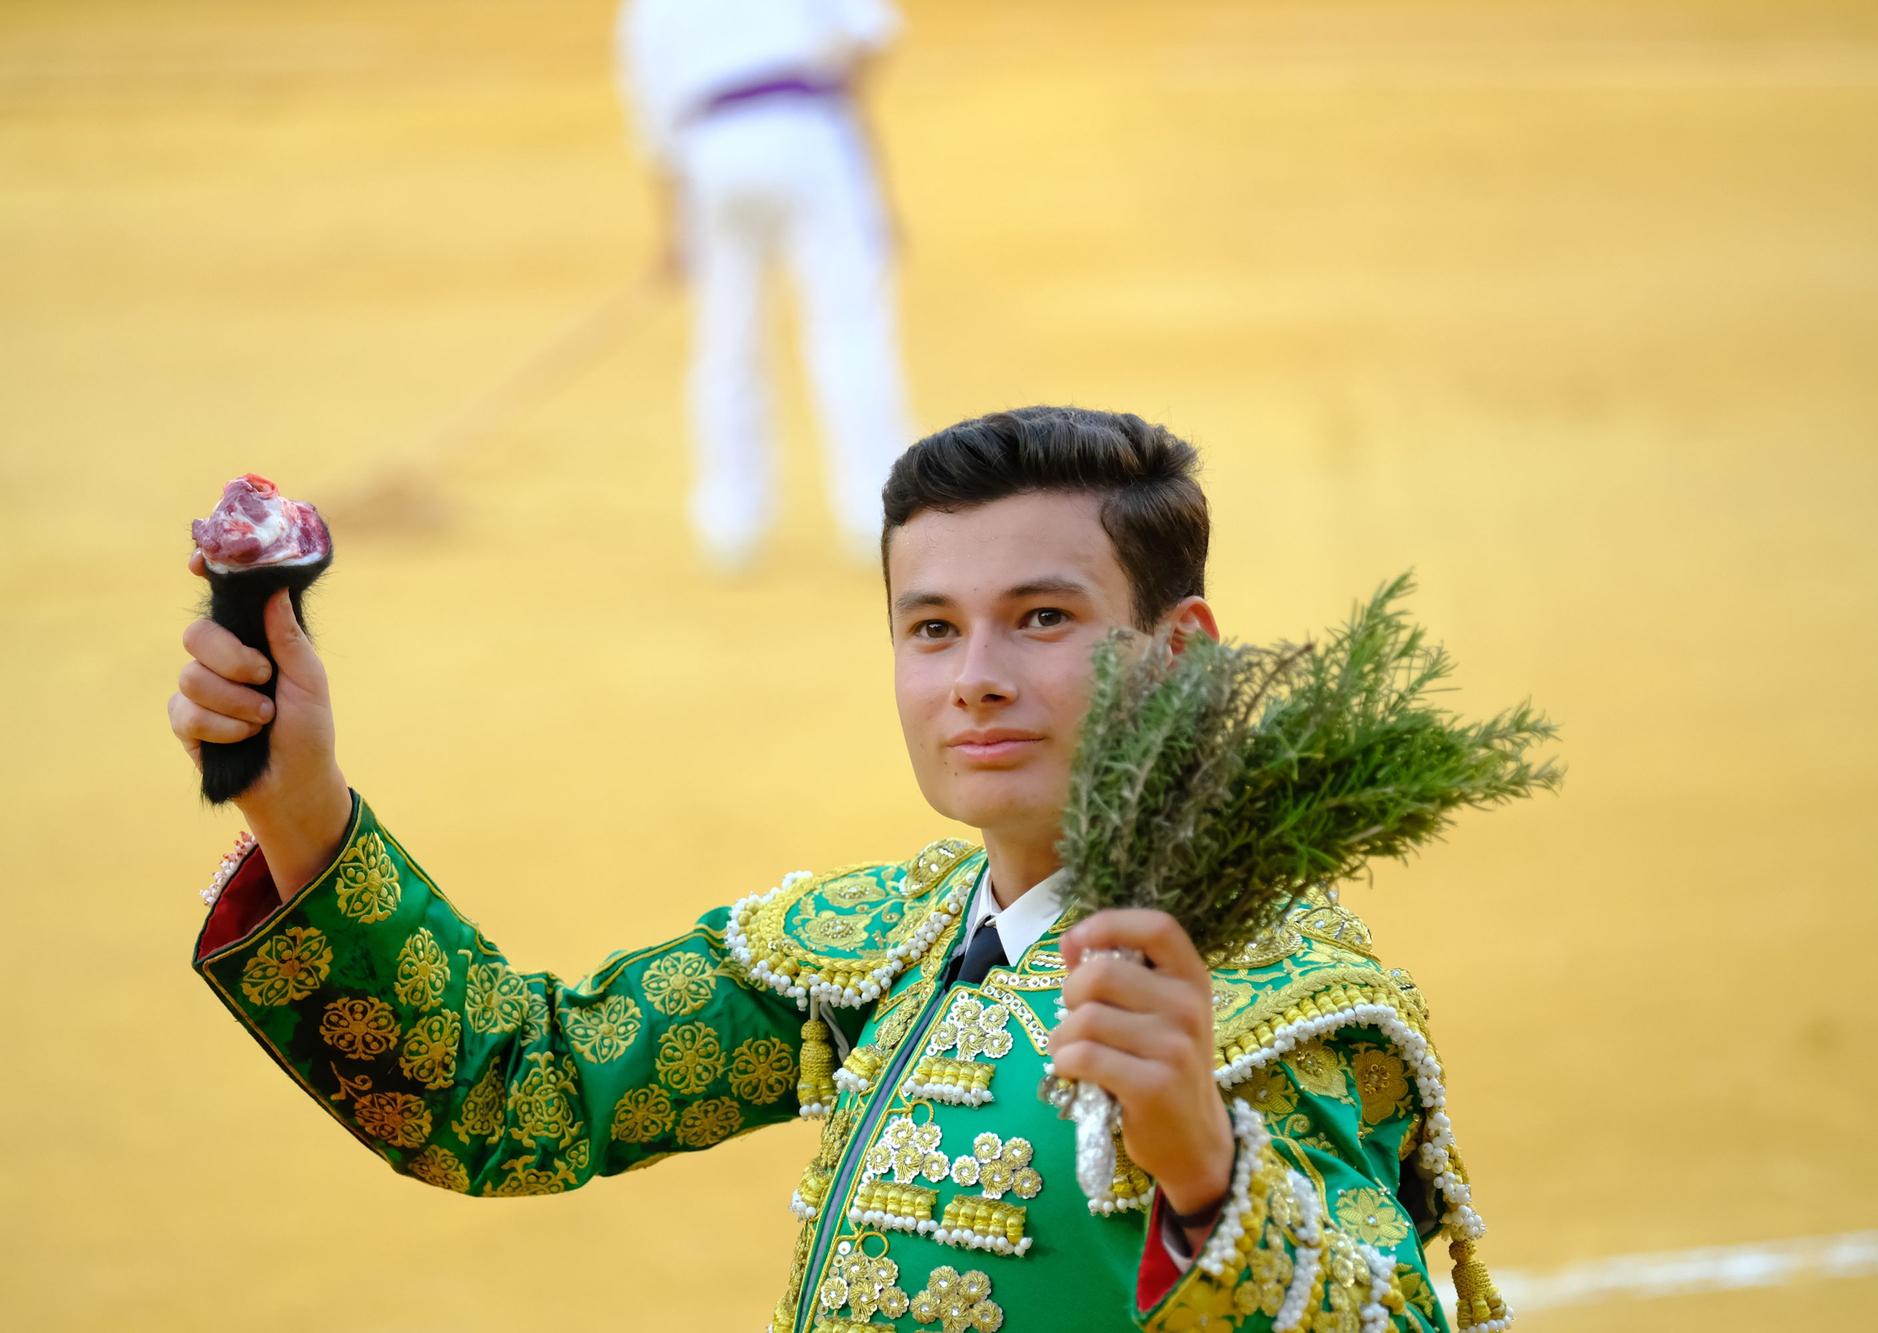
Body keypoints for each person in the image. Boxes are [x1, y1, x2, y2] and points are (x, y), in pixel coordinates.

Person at [172, 407, 1512, 1332]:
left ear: (1178, 651)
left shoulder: (1281, 995)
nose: (977, 679)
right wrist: (303, 806)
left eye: (1041, 619)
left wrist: (1212, 1179)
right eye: (931, 628)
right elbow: (513, 1093)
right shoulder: (878, 941)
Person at [616, 0, 915, 568]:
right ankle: (875, 514)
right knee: (850, 329)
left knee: (727, 341)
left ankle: (730, 524)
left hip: (711, 149)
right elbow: (872, 35)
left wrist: (672, 226)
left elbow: (652, 118)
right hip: (806, 127)